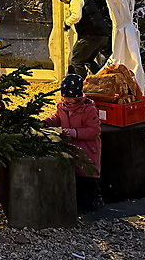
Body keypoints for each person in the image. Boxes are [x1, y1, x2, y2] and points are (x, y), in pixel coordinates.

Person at [43, 74, 103, 210]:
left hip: (87, 149)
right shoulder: (62, 106)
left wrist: (74, 132)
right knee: (76, 176)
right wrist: (47, 122)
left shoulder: (88, 109)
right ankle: (79, 200)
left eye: (71, 102)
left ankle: (95, 199)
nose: (68, 104)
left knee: (88, 177)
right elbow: (57, 117)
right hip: (71, 147)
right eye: (66, 101)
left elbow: (94, 130)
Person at [57, 0, 111, 78]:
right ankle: (101, 80)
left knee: (77, 61)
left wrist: (66, 23)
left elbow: (76, 16)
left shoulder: (75, 0)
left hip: (90, 35)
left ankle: (82, 84)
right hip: (102, 35)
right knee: (88, 60)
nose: (65, 4)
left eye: (63, 1)